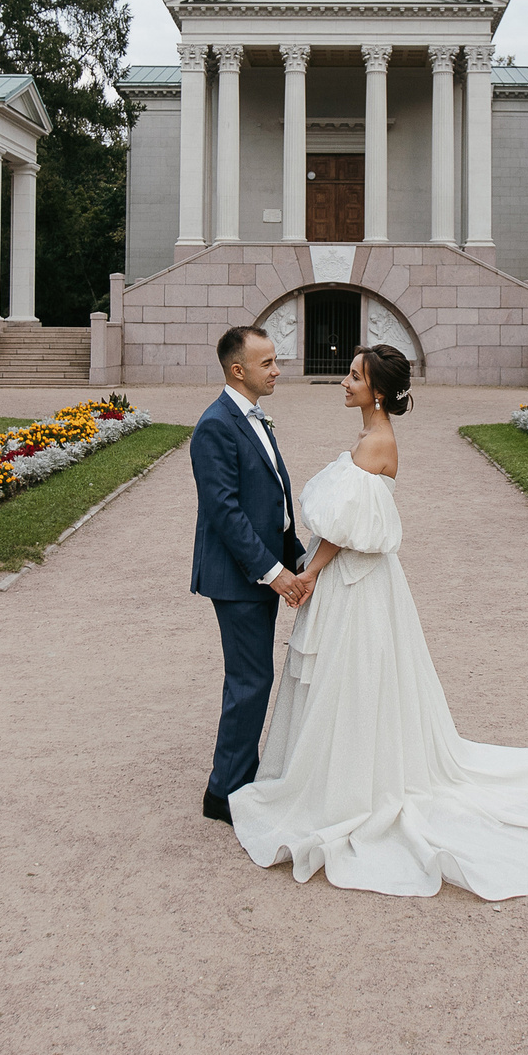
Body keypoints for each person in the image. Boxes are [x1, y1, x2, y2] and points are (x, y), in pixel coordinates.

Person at [229, 343, 528, 899]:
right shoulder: (369, 436)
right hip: (355, 580)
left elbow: (344, 529)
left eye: (354, 376)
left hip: (355, 583)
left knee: (357, 678)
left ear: (378, 392)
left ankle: (349, 786)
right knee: (353, 680)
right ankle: (336, 772)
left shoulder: (379, 440)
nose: (344, 381)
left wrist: (308, 575)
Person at [189, 324, 307, 823]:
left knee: (254, 677)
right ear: (238, 370)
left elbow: (272, 501)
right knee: (250, 679)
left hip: (263, 567)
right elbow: (226, 513)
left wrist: (298, 556)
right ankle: (225, 792)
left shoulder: (253, 418)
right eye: (268, 363)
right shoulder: (215, 424)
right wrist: (274, 572)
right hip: (239, 578)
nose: (278, 370)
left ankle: (240, 775)